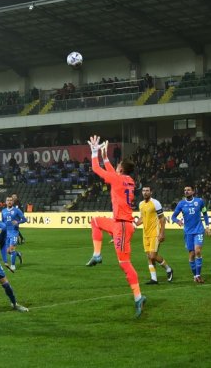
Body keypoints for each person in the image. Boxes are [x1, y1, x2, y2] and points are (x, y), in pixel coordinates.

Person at [84, 136, 146, 318]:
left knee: (125, 263)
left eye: (117, 165)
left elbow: (97, 169)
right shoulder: (128, 180)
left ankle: (138, 297)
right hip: (119, 223)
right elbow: (112, 173)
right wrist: (105, 156)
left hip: (123, 226)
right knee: (95, 221)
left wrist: (95, 152)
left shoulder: (118, 179)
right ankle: (97, 254)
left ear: (120, 168)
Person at [171, 185, 211, 283]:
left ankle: (198, 275)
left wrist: (207, 227)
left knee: (197, 251)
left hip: (198, 230)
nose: (186, 191)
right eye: (185, 190)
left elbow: (205, 213)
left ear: (193, 192)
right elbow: (173, 216)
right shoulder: (181, 204)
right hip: (188, 232)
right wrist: (177, 221)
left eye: (188, 190)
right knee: (192, 254)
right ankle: (195, 275)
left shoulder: (199, 201)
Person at [135, 185, 173, 284]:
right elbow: (142, 218)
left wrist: (162, 233)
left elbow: (162, 219)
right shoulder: (141, 204)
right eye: (143, 191)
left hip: (155, 233)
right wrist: (134, 224)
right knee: (149, 256)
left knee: (153, 256)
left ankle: (168, 269)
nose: (145, 192)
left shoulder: (155, 203)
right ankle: (154, 279)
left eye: (147, 190)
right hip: (145, 233)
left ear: (151, 192)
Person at [1, 195, 27, 272]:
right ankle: (18, 254)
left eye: (10, 200)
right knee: (8, 251)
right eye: (8, 200)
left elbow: (24, 219)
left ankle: (13, 265)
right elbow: (3, 222)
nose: (9, 201)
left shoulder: (17, 210)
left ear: (13, 201)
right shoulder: (3, 211)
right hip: (6, 233)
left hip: (14, 232)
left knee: (12, 249)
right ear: (5, 202)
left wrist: (18, 222)